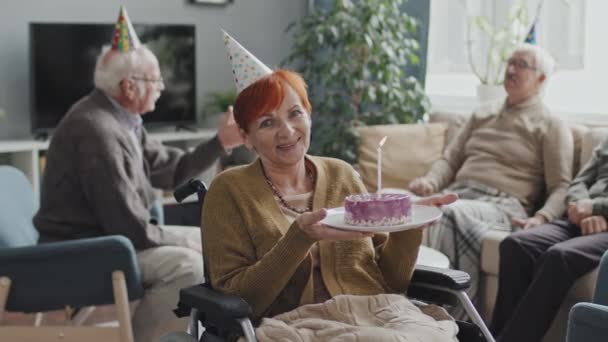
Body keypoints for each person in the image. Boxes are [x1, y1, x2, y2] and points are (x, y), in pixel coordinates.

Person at [201, 32, 460, 341]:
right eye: (267, 123)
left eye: (295, 114)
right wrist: (299, 238)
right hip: (294, 324)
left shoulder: (342, 175)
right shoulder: (229, 190)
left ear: (309, 116)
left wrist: (411, 224)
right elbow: (240, 299)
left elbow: (391, 282)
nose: (287, 131)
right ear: (245, 137)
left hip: (378, 314)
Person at [33, 8, 242, 342]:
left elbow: (170, 171)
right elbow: (129, 227)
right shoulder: (97, 131)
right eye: (155, 79)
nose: (162, 86)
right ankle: (147, 337)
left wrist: (221, 142)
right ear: (129, 86)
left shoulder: (122, 121)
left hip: (108, 237)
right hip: (83, 250)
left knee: (215, 244)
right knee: (189, 265)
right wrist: (188, 240)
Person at [408, 43, 574, 306]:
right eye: (509, 62)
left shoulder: (551, 124)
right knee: (402, 206)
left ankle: (443, 313)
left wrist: (543, 216)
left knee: (442, 213)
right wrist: (430, 181)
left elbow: (562, 186)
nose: (510, 69)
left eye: (520, 65)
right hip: (462, 195)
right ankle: (397, 300)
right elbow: (450, 159)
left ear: (541, 78)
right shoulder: (482, 112)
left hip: (503, 205)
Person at [490, 137, 608, 342]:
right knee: (516, 244)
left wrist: (598, 208)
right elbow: (579, 181)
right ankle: (492, 336)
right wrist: (580, 205)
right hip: (579, 217)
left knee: (559, 256)